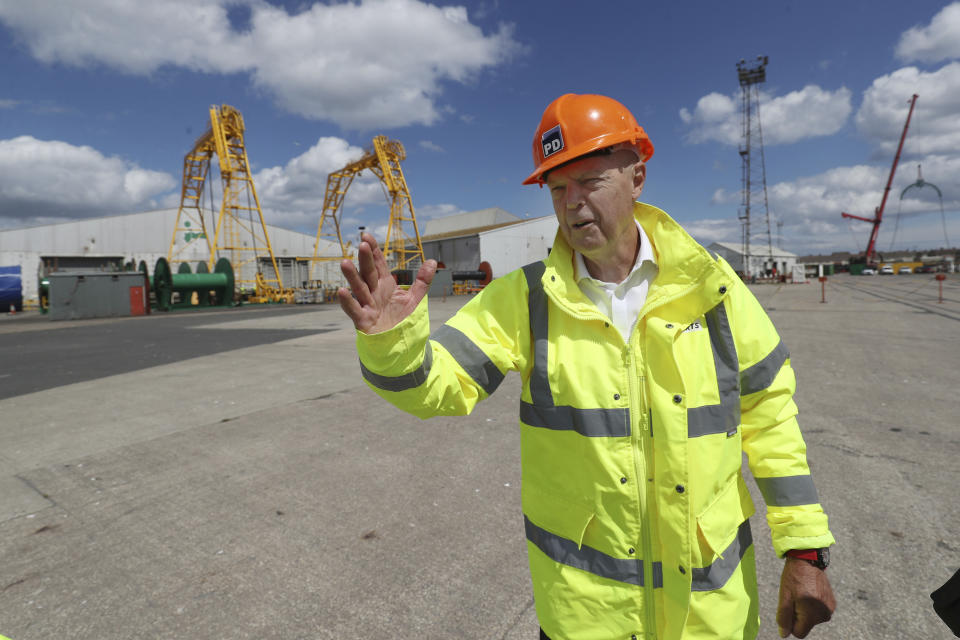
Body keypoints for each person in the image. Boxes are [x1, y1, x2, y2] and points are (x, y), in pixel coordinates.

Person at [338, 93, 836, 640]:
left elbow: (770, 416)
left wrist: (805, 548)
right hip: (586, 620)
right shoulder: (524, 300)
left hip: (710, 617)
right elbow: (435, 388)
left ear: (637, 177)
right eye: (557, 188)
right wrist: (392, 343)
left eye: (590, 181)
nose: (572, 203)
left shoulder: (713, 288)